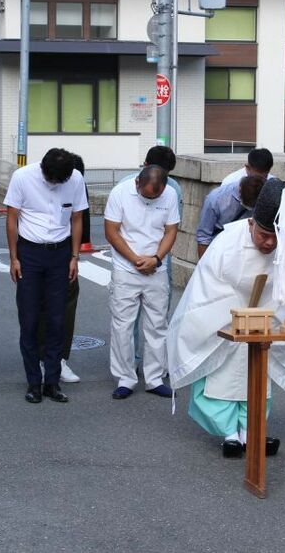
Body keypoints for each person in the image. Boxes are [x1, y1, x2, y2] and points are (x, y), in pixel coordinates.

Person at [167, 179, 285, 458]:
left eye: (276, 236)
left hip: (266, 318)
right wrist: (237, 311)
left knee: (258, 377)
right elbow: (208, 286)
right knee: (222, 377)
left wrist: (274, 312)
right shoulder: (227, 242)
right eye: (263, 235)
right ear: (251, 224)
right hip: (226, 318)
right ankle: (229, 433)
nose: (269, 242)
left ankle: (252, 430)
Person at [5, 148, 88, 404]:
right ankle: (33, 382)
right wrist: (14, 258)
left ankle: (52, 382)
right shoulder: (22, 177)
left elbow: (77, 218)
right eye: (53, 180)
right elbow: (11, 219)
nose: (56, 184)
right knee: (29, 320)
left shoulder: (74, 178)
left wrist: (74, 257)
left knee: (57, 320)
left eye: (60, 181)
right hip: (30, 252)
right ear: (44, 169)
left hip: (60, 253)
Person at [104, 165, 180, 399]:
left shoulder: (170, 194)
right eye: (147, 195)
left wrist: (156, 259)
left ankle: (154, 378)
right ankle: (125, 377)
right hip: (126, 268)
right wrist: (136, 259)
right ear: (138, 182)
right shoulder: (120, 193)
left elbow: (171, 231)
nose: (151, 199)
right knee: (123, 324)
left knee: (157, 324)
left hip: (156, 267)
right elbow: (112, 231)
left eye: (156, 196)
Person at [35, 153, 89, 384]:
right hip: (36, 250)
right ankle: (40, 358)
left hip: (65, 251)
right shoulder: (29, 181)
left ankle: (59, 360)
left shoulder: (77, 182)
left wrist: (75, 256)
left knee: (66, 307)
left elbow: (80, 219)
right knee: (38, 306)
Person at [196, 175, 266, 259]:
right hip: (218, 249)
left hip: (244, 251)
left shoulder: (262, 197)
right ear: (240, 190)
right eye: (248, 205)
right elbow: (204, 237)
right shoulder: (216, 199)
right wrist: (203, 265)